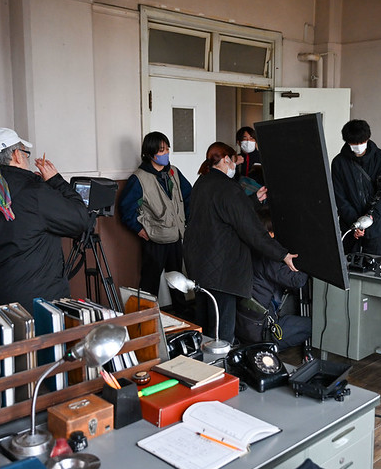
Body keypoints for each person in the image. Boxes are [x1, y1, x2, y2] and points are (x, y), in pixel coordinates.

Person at [0, 127, 92, 314]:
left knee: (3, 344)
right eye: (25, 154)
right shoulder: (33, 193)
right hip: (37, 306)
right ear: (17, 155)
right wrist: (55, 181)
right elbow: (82, 220)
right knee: (44, 345)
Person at [184, 142, 298, 344]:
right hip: (222, 271)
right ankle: (222, 369)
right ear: (226, 159)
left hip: (200, 265)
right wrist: (283, 254)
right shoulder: (229, 189)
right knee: (223, 330)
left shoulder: (202, 182)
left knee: (206, 323)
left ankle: (204, 368)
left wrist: (254, 200)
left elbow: (225, 212)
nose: (235, 165)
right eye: (234, 160)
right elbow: (253, 231)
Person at [117, 131, 192, 317]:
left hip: (175, 238)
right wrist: (140, 230)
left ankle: (183, 318)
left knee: (178, 282)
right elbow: (125, 208)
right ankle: (145, 319)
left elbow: (189, 195)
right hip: (155, 240)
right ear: (150, 153)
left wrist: (187, 221)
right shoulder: (139, 178)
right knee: (150, 284)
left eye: (167, 149)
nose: (166, 153)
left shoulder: (173, 172)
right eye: (161, 150)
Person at [236, 208, 311, 350]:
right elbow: (297, 280)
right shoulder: (268, 256)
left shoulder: (243, 247)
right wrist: (307, 260)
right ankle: (269, 347)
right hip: (261, 329)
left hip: (242, 322)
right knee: (311, 325)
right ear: (270, 234)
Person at [331, 119, 381, 256]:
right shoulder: (339, 163)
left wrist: (370, 218)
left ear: (368, 138)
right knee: (348, 263)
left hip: (376, 223)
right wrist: (356, 224)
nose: (358, 146)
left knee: (373, 263)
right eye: (354, 143)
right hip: (350, 224)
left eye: (361, 142)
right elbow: (339, 197)